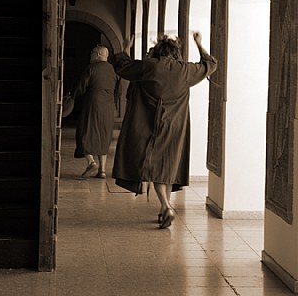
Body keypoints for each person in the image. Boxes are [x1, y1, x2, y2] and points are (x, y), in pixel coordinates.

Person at [112, 32, 217, 228]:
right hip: (175, 126)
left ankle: (166, 206)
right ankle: (163, 208)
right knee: (167, 165)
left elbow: (121, 66)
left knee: (154, 166)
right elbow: (210, 64)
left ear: (158, 51)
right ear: (176, 52)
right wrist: (199, 44)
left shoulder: (149, 66)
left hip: (149, 124)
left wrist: (126, 46)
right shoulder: (185, 70)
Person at [73, 45, 118, 179]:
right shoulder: (112, 70)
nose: (90, 55)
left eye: (92, 53)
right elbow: (117, 89)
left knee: (84, 131)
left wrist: (72, 97)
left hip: (93, 104)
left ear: (98, 54)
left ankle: (91, 162)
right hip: (109, 106)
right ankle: (102, 171)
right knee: (104, 135)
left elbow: (81, 86)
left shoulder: (91, 68)